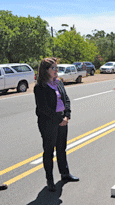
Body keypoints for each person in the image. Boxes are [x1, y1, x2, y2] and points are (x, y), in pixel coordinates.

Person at [34, 57, 79, 192]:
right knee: (49, 151)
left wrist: (66, 115)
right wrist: (59, 119)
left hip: (61, 120)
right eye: (53, 68)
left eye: (56, 68)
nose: (56, 70)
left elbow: (66, 100)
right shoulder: (40, 87)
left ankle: (65, 173)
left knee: (61, 148)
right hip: (48, 123)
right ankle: (50, 179)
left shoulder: (59, 83)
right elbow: (43, 108)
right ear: (46, 70)